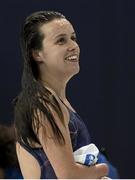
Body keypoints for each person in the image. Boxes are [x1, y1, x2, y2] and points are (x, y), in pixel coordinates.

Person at [14, 11, 118, 179]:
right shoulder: (44, 104)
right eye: (61, 40)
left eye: (73, 38)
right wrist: (102, 170)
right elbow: (68, 176)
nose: (73, 46)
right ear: (36, 54)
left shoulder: (53, 101)